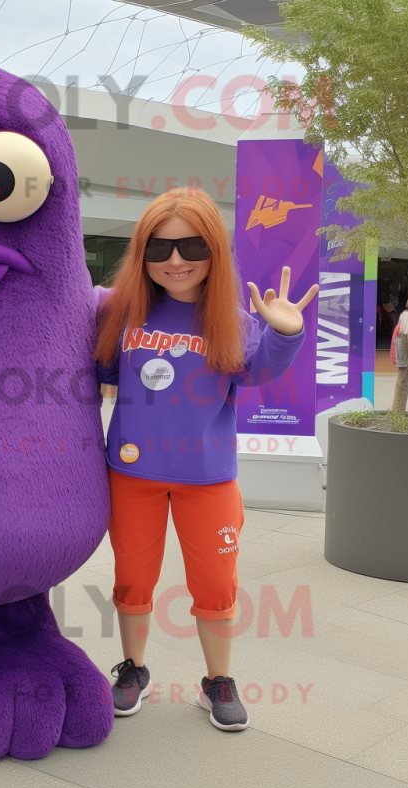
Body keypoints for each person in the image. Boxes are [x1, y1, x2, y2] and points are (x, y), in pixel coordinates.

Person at [95, 187, 319, 730]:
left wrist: (285, 332)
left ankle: (218, 680)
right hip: (131, 474)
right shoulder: (122, 312)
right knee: (132, 578)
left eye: (192, 247)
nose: (176, 260)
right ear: (142, 253)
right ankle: (134, 669)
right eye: (161, 248)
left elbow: (258, 369)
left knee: (216, 585)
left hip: (208, 478)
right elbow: (99, 371)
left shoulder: (231, 320)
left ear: (214, 252)